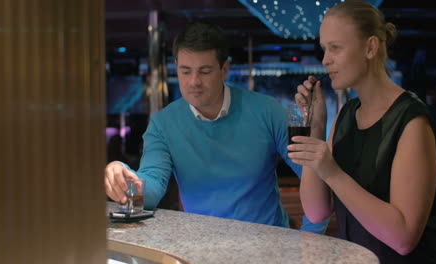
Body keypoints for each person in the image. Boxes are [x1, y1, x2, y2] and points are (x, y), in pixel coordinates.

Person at [104, 21, 329, 233]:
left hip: (269, 245)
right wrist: (126, 177)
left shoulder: (268, 111)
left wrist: (310, 239)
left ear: (224, 69)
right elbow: (152, 187)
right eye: (185, 71)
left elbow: (316, 176)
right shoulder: (162, 124)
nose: (194, 81)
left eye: (204, 71)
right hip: (202, 246)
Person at [288, 1, 436, 263]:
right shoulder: (346, 115)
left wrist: (332, 172)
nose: (325, 59)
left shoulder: (411, 120)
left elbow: (403, 239)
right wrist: (316, 128)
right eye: (324, 49)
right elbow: (316, 211)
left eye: (336, 48)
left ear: (370, 47)